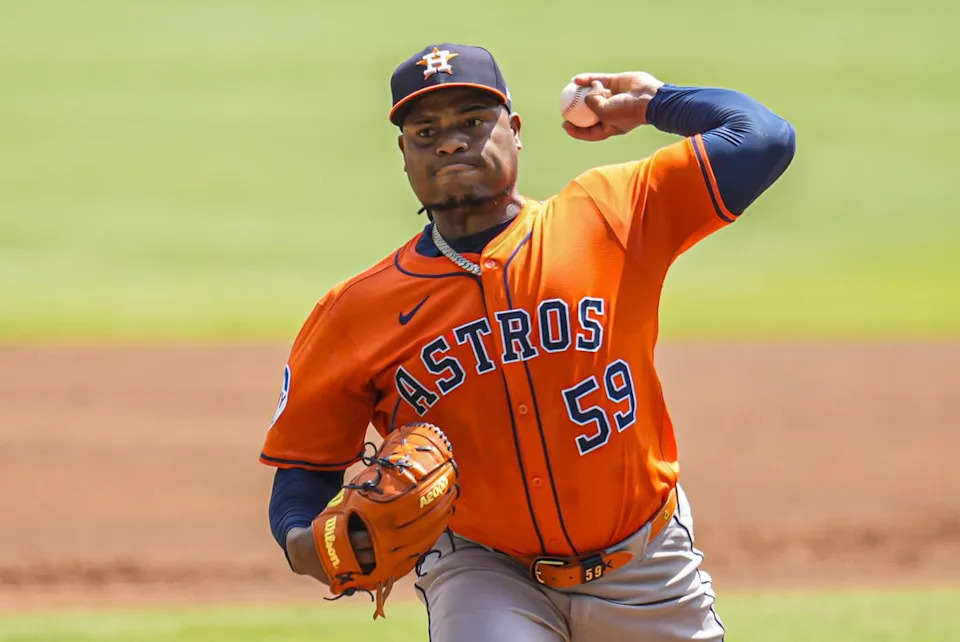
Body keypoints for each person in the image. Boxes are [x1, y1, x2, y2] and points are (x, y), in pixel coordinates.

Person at [261, 42, 795, 641]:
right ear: (404, 154)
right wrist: (305, 542)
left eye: (472, 121)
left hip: (644, 564)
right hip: (481, 569)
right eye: (425, 130)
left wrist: (651, 104)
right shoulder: (354, 313)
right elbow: (302, 473)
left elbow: (764, 138)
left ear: (515, 132)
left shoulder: (607, 216)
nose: (450, 142)